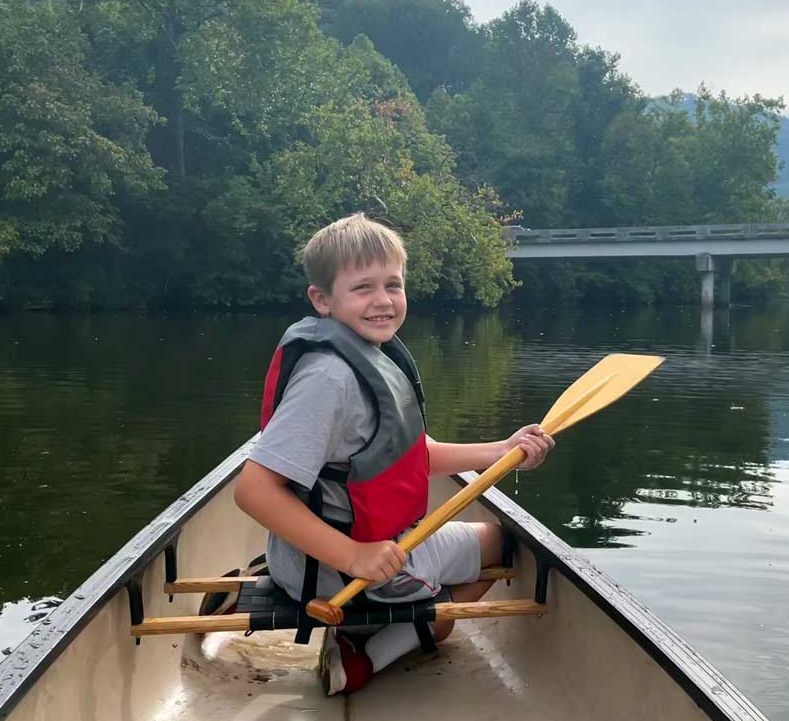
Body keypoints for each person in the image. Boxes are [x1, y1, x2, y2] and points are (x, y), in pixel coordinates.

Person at [234, 213, 553, 695]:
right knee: (504, 545)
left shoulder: (369, 356)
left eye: (393, 285)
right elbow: (253, 490)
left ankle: (372, 632)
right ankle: (368, 656)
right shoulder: (330, 379)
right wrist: (355, 555)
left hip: (315, 559)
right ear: (322, 299)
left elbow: (411, 455)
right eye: (363, 288)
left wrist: (502, 449)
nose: (383, 301)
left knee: (481, 549)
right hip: (338, 571)